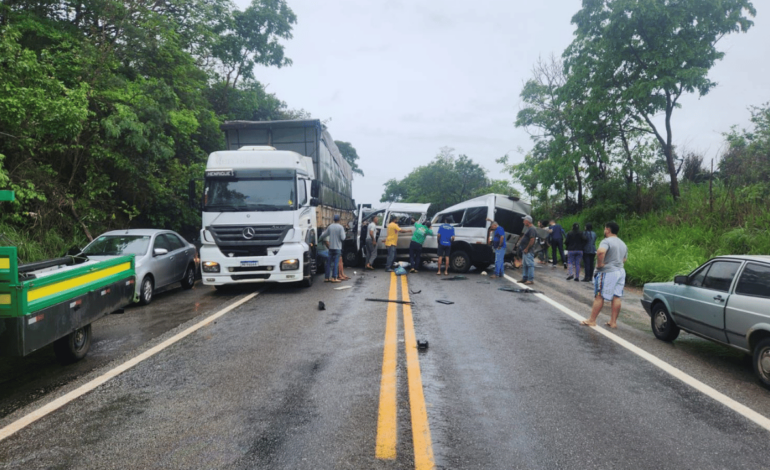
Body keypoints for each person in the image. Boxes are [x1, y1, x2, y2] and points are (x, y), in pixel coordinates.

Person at [581, 222, 628, 328]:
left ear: (608, 230)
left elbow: (601, 252)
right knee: (616, 296)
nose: (604, 230)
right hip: (620, 271)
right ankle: (613, 322)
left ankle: (592, 320)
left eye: (605, 228)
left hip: (607, 272)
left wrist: (600, 264)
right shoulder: (622, 243)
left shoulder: (606, 241)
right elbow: (624, 259)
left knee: (599, 296)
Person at [320, 214, 346, 283]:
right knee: (335, 263)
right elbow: (343, 238)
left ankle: (326, 277)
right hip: (337, 248)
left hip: (331, 248)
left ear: (333, 219)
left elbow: (324, 235)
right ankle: (334, 277)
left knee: (328, 263)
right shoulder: (340, 227)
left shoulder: (330, 226)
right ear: (339, 220)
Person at [518, 215, 537, 284]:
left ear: (527, 221)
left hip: (528, 250)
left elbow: (532, 240)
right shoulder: (529, 228)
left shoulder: (532, 229)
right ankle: (524, 278)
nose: (523, 222)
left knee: (530, 264)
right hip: (525, 250)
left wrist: (527, 248)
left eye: (524, 220)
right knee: (525, 265)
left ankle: (530, 279)